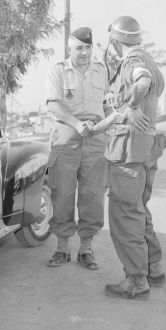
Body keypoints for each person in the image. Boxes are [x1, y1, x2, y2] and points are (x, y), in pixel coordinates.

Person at [93, 16, 166, 300]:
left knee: (125, 214)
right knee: (139, 209)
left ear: (115, 41)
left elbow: (141, 82)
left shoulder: (132, 61)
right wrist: (97, 128)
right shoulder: (149, 57)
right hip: (145, 147)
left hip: (129, 152)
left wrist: (133, 105)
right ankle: (154, 267)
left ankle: (136, 280)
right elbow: (123, 110)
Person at [45, 27, 110, 270]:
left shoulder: (101, 70)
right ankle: (62, 247)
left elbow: (107, 103)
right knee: (62, 193)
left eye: (88, 48)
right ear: (69, 49)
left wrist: (112, 124)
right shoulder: (58, 71)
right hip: (67, 135)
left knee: (92, 195)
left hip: (95, 137)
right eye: (79, 48)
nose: (84, 53)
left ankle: (86, 248)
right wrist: (76, 123)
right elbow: (54, 105)